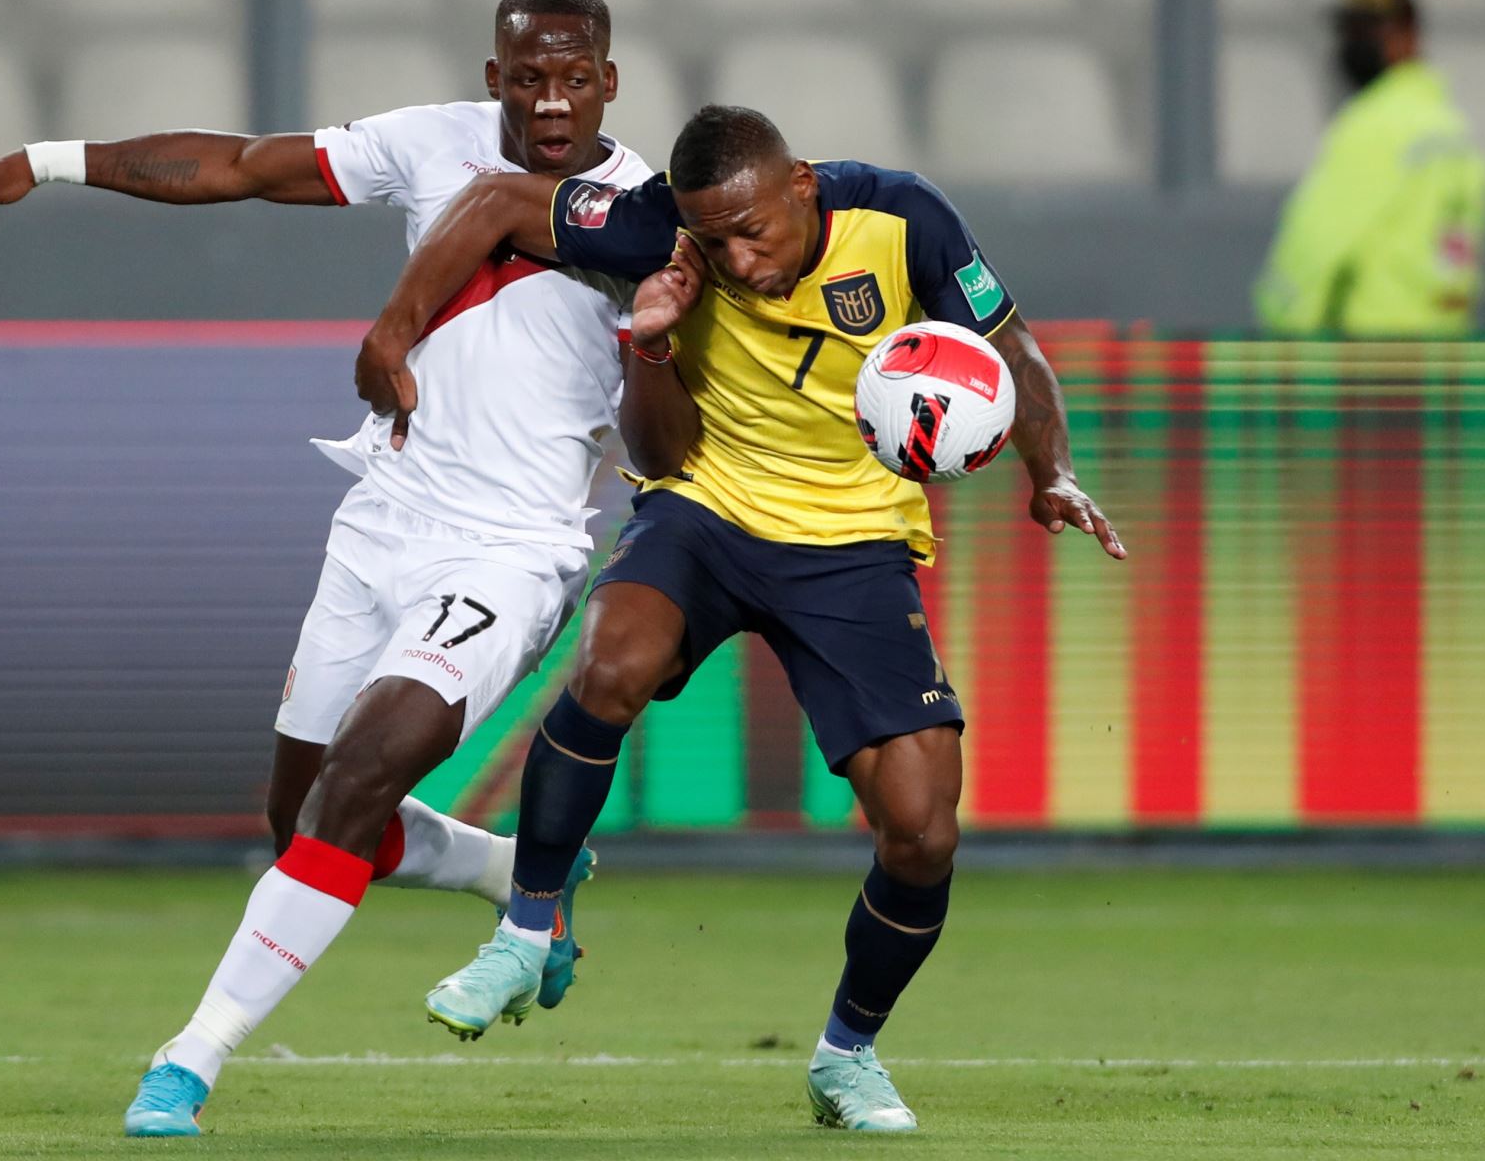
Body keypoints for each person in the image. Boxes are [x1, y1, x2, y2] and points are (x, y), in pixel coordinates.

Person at [0, 0, 652, 1137]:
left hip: (510, 556)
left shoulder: (647, 218)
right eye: (529, 79)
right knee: (302, 819)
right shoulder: (434, 146)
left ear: (608, 81)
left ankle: (190, 1057)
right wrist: (45, 161)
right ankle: (519, 873)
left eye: (575, 80)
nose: (552, 102)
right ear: (494, 80)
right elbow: (244, 166)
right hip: (383, 526)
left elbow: (666, 423)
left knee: (359, 781)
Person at [354, 104, 1123, 1133]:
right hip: (707, 510)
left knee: (923, 830)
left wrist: (1052, 471)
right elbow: (495, 202)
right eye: (713, 240)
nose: (737, 259)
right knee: (609, 665)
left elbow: (1011, 345)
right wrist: (403, 333)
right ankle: (526, 928)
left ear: (801, 185)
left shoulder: (904, 220)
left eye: (753, 232)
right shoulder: (663, 232)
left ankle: (847, 1057)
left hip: (854, 546)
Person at [1255, 0, 1485, 336]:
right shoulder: (1454, 131)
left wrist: (1282, 321)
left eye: (1368, 32)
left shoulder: (1373, 126)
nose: (1352, 44)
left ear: (1409, 36)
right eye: (1349, 31)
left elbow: (1316, 240)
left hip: (1372, 354)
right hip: (1447, 351)